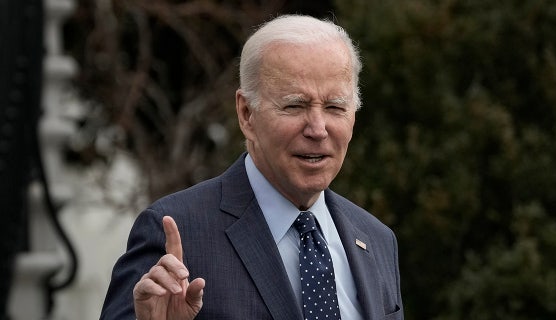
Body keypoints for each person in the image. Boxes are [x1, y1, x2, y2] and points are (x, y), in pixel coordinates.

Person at [100, 14, 403, 320]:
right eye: (294, 106)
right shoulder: (178, 233)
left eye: (335, 107)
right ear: (246, 114)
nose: (318, 129)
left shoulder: (377, 240)